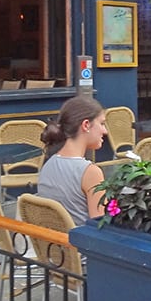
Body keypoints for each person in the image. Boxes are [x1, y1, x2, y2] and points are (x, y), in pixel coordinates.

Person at [37, 96, 107, 227]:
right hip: (79, 246)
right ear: (86, 125)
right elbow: (101, 227)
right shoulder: (91, 172)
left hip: (51, 244)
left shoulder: (48, 165)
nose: (105, 131)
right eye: (102, 123)